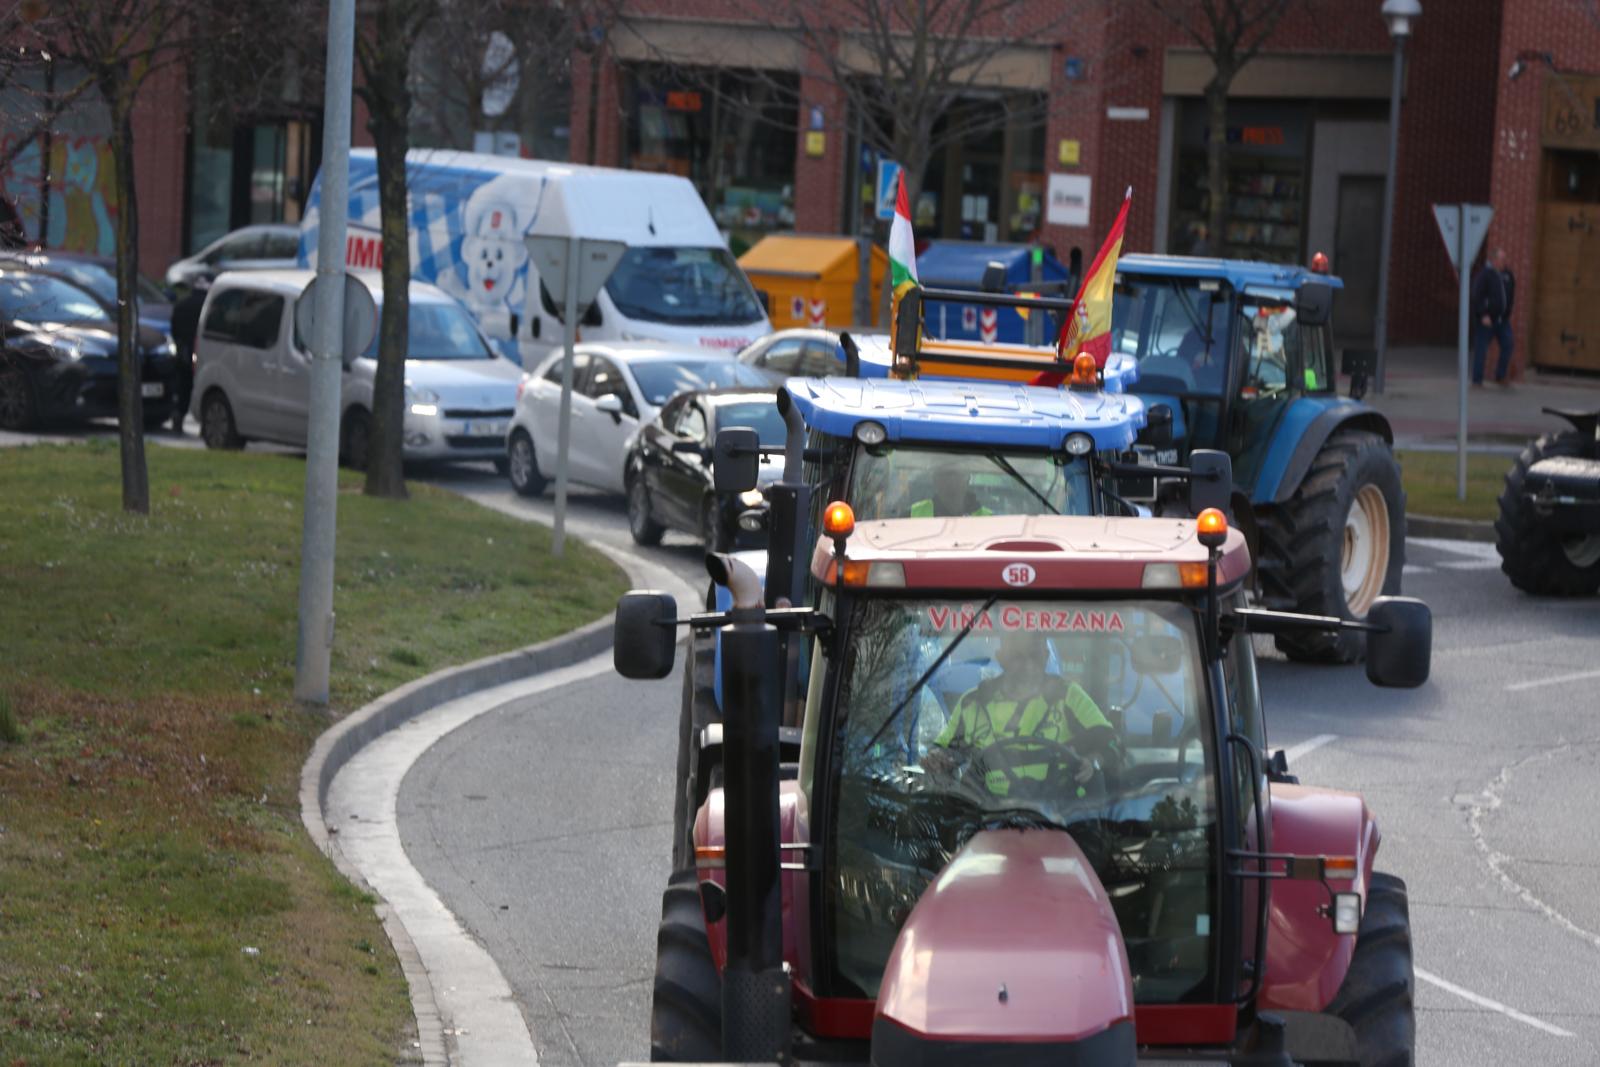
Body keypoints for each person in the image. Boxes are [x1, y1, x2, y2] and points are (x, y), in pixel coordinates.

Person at [924, 630, 1117, 798]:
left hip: (1062, 816)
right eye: (1018, 657)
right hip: (987, 816)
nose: (1028, 665)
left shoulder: (1069, 696)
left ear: (1046, 655)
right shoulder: (973, 703)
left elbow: (1112, 744)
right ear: (1001, 657)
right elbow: (945, 751)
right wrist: (937, 758)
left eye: (1034, 655)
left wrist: (1094, 761)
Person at [167, 277, 210, 432]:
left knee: (183, 386)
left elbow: (174, 330)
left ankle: (179, 414)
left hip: (184, 352)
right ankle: (205, 424)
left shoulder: (181, 305)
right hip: (203, 353)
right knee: (204, 387)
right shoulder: (208, 306)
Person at [1471, 246, 1515, 387]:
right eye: (1502, 258)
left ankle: (1500, 376)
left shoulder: (1508, 275)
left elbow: (1510, 295)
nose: (1505, 261)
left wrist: (1507, 312)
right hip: (1487, 320)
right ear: (1494, 259)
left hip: (1502, 320)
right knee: (1481, 349)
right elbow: (1477, 296)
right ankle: (1477, 380)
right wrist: (1483, 314)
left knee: (1508, 344)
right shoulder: (1485, 275)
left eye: (1505, 258)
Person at [909, 467, 994, 518]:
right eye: (945, 476)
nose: (951, 482)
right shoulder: (911, 514)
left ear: (967, 480)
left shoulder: (990, 519)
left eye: (956, 475)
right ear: (935, 481)